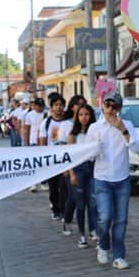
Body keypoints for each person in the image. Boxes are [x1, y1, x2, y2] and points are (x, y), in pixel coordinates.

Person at [86, 91, 139, 268]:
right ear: (102, 105)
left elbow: (137, 149)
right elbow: (87, 156)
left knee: (121, 220)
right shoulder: (95, 128)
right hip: (102, 178)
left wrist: (123, 130)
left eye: (115, 106)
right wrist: (94, 150)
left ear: (119, 108)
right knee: (105, 217)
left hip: (122, 178)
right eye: (108, 105)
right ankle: (103, 245)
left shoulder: (127, 125)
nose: (110, 109)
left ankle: (118, 256)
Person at [67, 103, 98, 248]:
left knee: (93, 203)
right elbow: (70, 157)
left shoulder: (96, 132)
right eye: (81, 114)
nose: (84, 118)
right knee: (80, 205)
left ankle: (93, 230)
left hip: (92, 169)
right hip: (78, 169)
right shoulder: (73, 135)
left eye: (86, 114)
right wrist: (72, 174)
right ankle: (81, 235)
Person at [60, 95, 87, 235]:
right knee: (73, 197)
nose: (80, 108)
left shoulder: (89, 125)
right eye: (78, 105)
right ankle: (67, 219)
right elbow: (63, 147)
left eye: (83, 105)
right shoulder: (66, 124)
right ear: (72, 107)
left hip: (88, 167)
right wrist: (66, 167)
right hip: (72, 166)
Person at [39, 94, 66, 220]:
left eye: (61, 105)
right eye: (56, 105)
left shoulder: (68, 121)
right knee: (54, 187)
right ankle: (55, 209)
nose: (59, 108)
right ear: (51, 107)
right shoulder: (46, 123)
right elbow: (43, 141)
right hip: (52, 160)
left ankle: (64, 209)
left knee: (64, 186)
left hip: (66, 159)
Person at [23, 98, 46, 192]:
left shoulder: (46, 114)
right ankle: (33, 183)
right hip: (33, 141)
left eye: (42, 106)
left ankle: (43, 182)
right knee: (33, 163)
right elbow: (26, 129)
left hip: (43, 141)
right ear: (34, 106)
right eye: (38, 106)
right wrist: (26, 142)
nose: (40, 108)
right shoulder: (29, 115)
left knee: (43, 163)